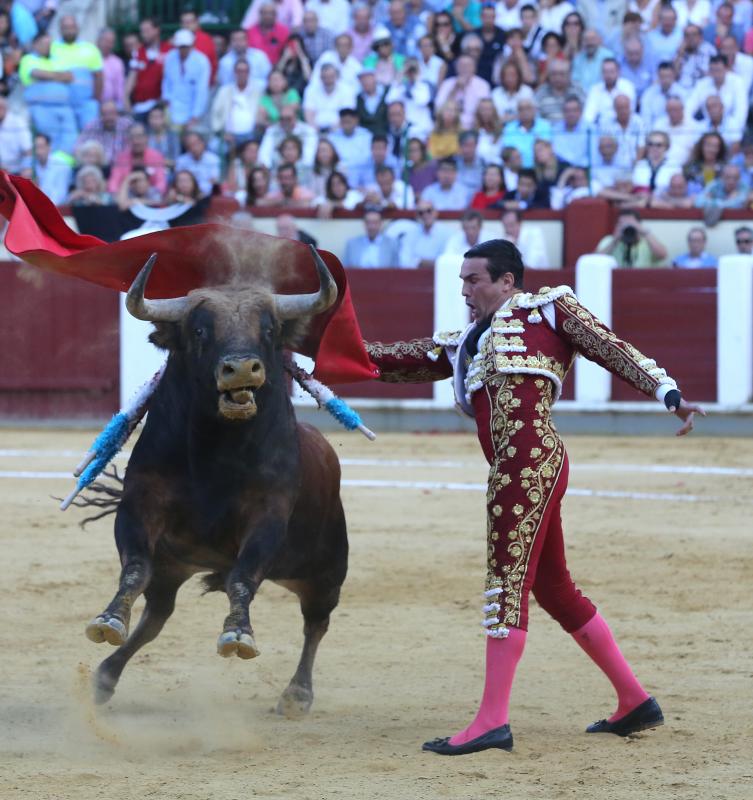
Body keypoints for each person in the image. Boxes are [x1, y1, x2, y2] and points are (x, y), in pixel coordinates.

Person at [364, 238, 703, 756]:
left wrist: (669, 394)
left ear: (507, 281)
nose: (464, 289)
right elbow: (389, 360)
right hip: (518, 466)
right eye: (461, 280)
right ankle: (635, 700)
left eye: (473, 279)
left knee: (506, 581)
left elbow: (610, 346)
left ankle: (491, 721)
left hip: (528, 463)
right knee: (554, 588)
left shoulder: (547, 309)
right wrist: (313, 360)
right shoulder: (464, 343)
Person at [161, 29, 211, 129]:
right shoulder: (170, 57)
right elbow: (166, 81)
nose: (183, 49)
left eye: (186, 46)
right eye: (181, 47)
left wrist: (195, 115)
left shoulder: (202, 61)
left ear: (192, 45)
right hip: (172, 108)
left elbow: (202, 90)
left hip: (192, 110)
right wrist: (166, 99)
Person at [596, 209, 668, 266]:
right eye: (622, 223)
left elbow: (662, 255)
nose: (627, 226)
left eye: (631, 223)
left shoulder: (648, 241)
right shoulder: (609, 240)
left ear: (638, 225)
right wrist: (615, 240)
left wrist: (645, 232)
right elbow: (596, 260)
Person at [399, 201, 450, 268]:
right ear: (417, 216)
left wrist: (419, 262)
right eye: (421, 213)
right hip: (415, 276)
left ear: (435, 212)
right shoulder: (409, 235)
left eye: (429, 211)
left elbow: (448, 260)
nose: (425, 215)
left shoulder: (448, 233)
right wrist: (421, 263)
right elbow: (404, 262)